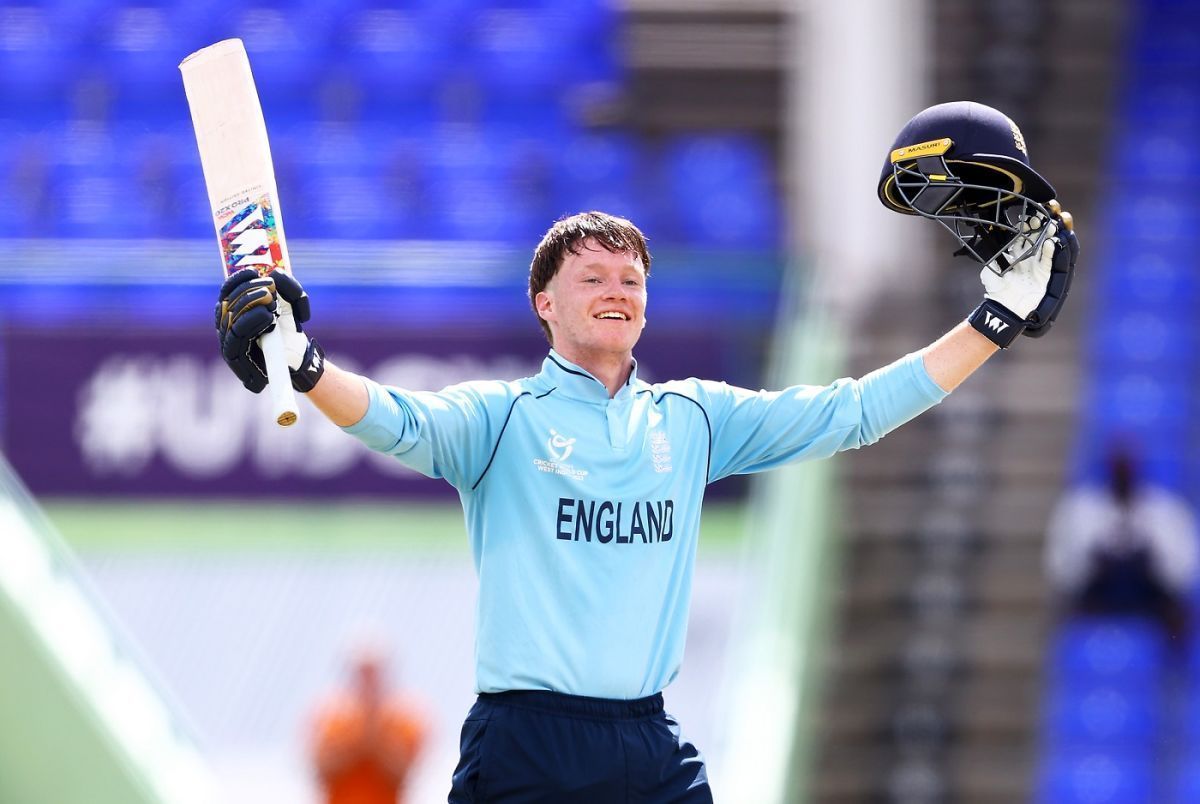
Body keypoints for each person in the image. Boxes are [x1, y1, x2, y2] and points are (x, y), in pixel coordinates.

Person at [214, 102, 1078, 801]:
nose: (617, 292)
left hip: (647, 744)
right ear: (544, 306)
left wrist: (991, 324)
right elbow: (396, 418)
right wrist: (305, 363)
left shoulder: (693, 419)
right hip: (527, 746)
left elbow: (850, 413)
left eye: (632, 280)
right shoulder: (504, 417)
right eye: (592, 278)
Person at [1044, 444, 1198, 641]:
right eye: (1118, 468)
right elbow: (1060, 567)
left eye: (1127, 468)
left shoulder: (1165, 509)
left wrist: (1151, 563)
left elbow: (1183, 571)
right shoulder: (1081, 509)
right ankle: (1073, 663)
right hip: (1099, 593)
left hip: (1150, 595)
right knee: (1063, 614)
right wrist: (1092, 565)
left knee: (1181, 617)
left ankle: (1175, 670)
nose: (1123, 474)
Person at [309, 643, 429, 804]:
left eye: (372, 673)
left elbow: (404, 774)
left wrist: (374, 739)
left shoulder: (404, 719)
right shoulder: (330, 717)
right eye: (362, 673)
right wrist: (357, 741)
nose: (367, 681)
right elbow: (320, 770)